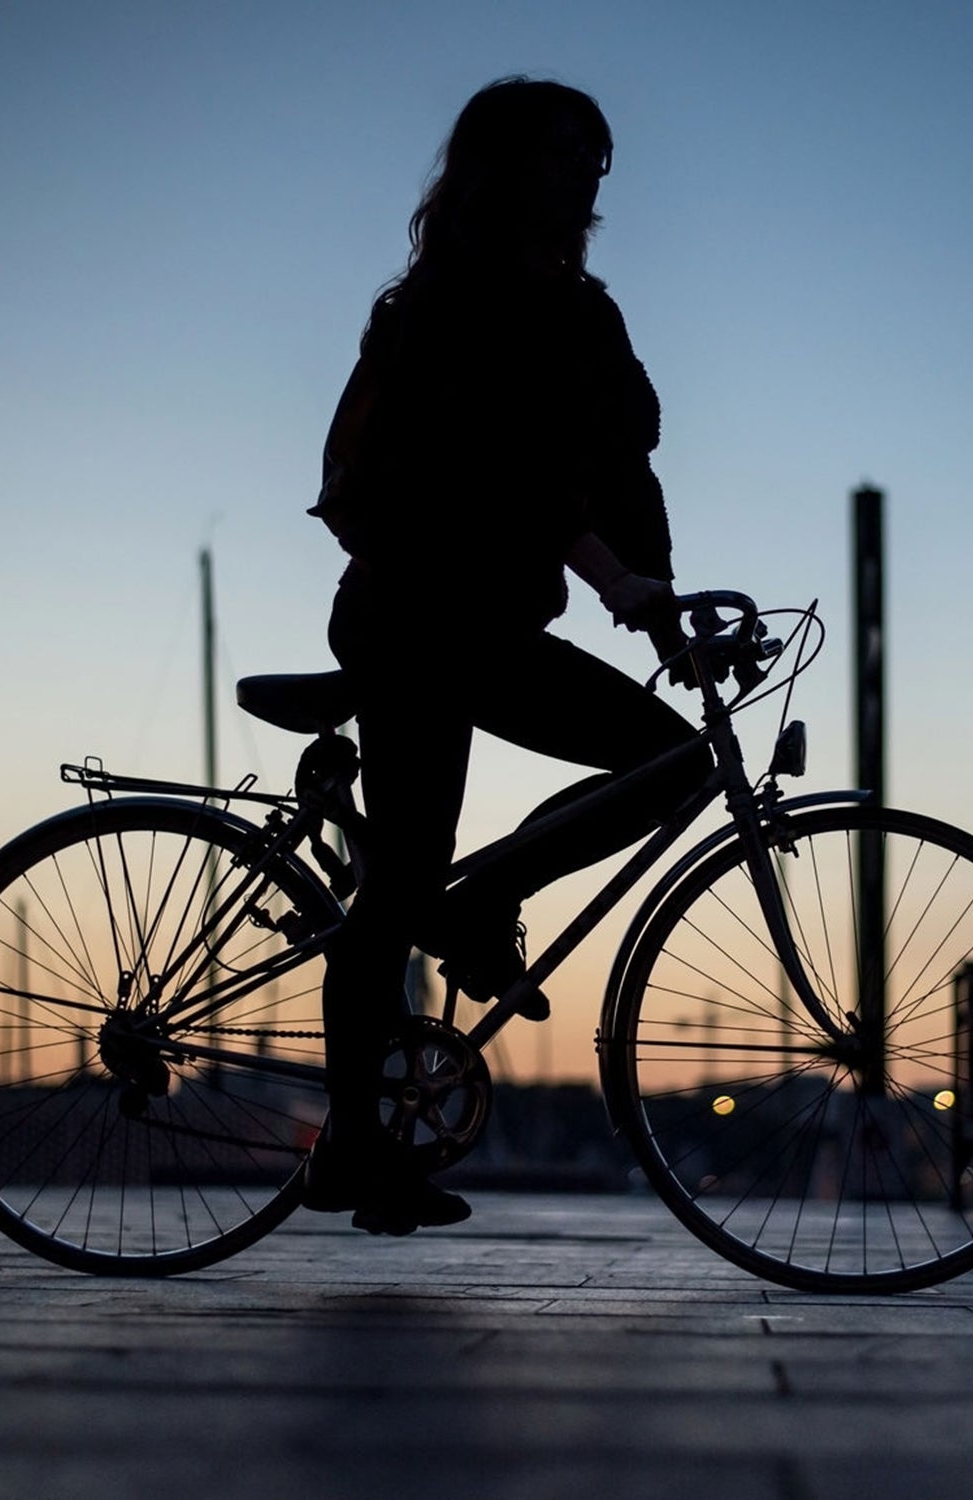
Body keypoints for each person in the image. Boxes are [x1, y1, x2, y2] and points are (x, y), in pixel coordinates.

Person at [304, 77, 710, 1234]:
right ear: (503, 167)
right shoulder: (442, 305)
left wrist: (663, 601)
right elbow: (487, 470)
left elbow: (620, 468)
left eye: (600, 162)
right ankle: (355, 1142)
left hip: (492, 622)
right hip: (415, 613)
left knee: (669, 762)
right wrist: (609, 573)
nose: (589, 179)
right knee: (403, 876)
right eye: (568, 155)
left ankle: (479, 906)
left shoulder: (585, 313)